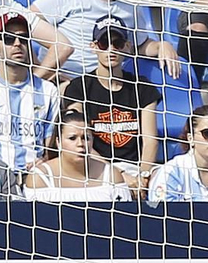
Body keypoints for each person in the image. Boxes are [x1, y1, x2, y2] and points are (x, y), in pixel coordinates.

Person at [29, 0, 180, 81]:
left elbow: (138, 45)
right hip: (65, 79)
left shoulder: (131, 1)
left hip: (106, 84)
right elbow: (26, 23)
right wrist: (39, 65)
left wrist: (161, 45)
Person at [59, 14, 161, 186]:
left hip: (136, 169)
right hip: (96, 167)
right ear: (93, 47)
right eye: (104, 44)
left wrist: (142, 177)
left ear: (127, 47)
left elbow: (151, 140)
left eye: (118, 43)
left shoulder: (143, 87)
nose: (111, 49)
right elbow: (80, 140)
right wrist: (119, 176)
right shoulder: (78, 88)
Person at [0, 11, 59, 175]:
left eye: (23, 38)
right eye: (9, 39)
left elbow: (51, 147)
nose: (18, 44)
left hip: (36, 176)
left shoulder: (48, 91)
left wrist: (45, 161)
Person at [22, 110, 131, 201]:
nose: (80, 144)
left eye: (86, 138)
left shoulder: (111, 176)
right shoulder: (40, 177)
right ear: (58, 142)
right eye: (72, 138)